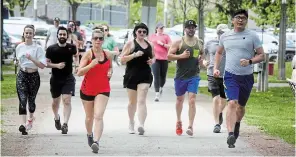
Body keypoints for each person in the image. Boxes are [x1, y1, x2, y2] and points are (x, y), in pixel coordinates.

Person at [213, 9, 265, 148]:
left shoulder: (252, 36)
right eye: (238, 17)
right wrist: (215, 68)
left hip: (247, 77)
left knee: (241, 107)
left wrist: (249, 61)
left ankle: (237, 124)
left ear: (246, 21)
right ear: (232, 20)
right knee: (231, 103)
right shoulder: (225, 36)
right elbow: (219, 52)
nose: (240, 20)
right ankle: (230, 134)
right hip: (230, 75)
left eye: (243, 18)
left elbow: (262, 55)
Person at [77, 30, 116, 153]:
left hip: (103, 88)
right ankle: (89, 135)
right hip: (87, 89)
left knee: (98, 115)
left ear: (103, 40)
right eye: (95, 38)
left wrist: (110, 72)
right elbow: (79, 72)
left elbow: (110, 67)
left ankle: (96, 142)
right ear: (92, 40)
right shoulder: (88, 55)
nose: (98, 41)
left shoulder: (107, 54)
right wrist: (90, 65)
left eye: (100, 38)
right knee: (89, 118)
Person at [167, 20, 204, 136]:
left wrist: (202, 62)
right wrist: (181, 56)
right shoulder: (179, 42)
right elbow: (169, 56)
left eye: (193, 27)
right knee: (180, 100)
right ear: (185, 29)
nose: (191, 29)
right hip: (181, 76)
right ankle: (178, 121)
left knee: (192, 100)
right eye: (189, 27)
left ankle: (190, 126)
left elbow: (202, 56)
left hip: (194, 75)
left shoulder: (200, 42)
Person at [121, 23, 154, 135]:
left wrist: (152, 61)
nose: (142, 33)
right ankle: (131, 122)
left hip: (145, 74)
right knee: (132, 102)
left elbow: (153, 57)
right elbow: (122, 59)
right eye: (139, 31)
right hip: (131, 74)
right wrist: (134, 55)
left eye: (144, 32)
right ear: (135, 32)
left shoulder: (150, 44)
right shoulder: (130, 44)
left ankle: (141, 124)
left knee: (141, 100)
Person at [46, 26, 79, 134]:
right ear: (57, 36)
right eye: (60, 34)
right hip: (55, 79)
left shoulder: (71, 47)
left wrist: (77, 65)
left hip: (68, 77)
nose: (62, 36)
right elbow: (46, 63)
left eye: (64, 34)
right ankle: (56, 118)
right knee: (55, 102)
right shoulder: (51, 49)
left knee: (67, 100)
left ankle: (65, 124)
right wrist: (56, 65)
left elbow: (76, 56)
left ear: (67, 36)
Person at [15, 25, 47, 135]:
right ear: (23, 34)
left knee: (31, 102)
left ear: (33, 35)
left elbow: (42, 65)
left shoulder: (38, 48)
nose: (28, 35)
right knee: (22, 99)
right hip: (22, 75)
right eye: (26, 32)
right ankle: (23, 125)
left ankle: (31, 119)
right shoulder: (19, 47)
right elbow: (18, 60)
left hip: (33, 76)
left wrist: (32, 58)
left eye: (30, 33)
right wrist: (17, 63)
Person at [203, 24, 230, 133]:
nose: (225, 35)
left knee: (223, 100)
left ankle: (219, 113)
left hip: (226, 74)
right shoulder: (210, 43)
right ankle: (217, 124)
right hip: (212, 73)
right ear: (218, 33)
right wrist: (204, 61)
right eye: (223, 33)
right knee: (216, 98)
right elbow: (203, 55)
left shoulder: (229, 44)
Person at [148, 22, 171, 101]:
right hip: (155, 59)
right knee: (156, 76)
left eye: (162, 28)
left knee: (163, 76)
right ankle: (157, 94)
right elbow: (148, 45)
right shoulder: (152, 37)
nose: (161, 29)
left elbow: (170, 46)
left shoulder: (166, 36)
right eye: (160, 28)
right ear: (156, 28)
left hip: (164, 59)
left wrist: (162, 44)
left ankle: (161, 87)